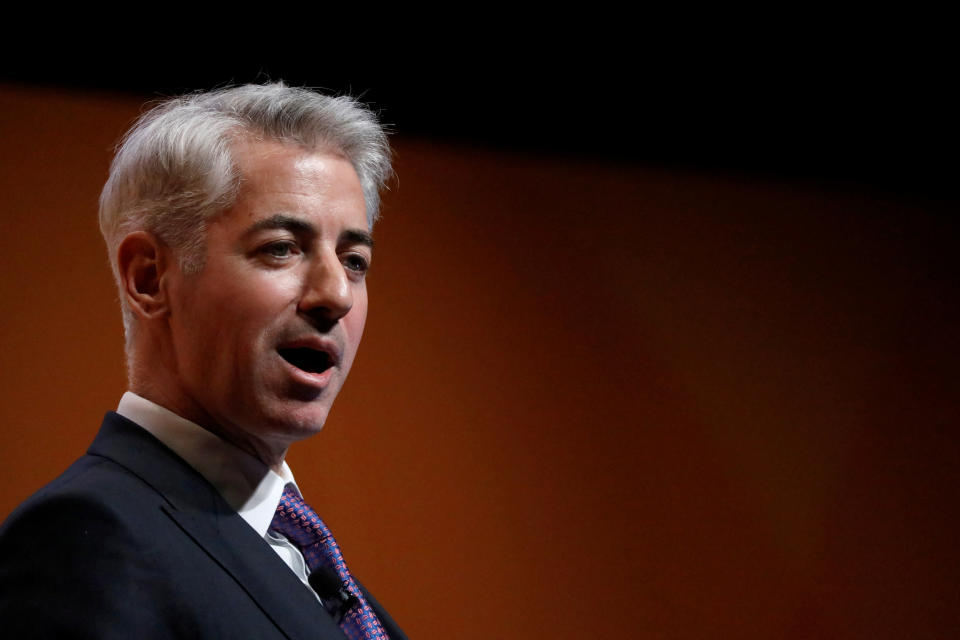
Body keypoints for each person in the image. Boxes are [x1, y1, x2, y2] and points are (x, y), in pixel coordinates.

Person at [0, 83, 407, 639]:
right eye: (281, 247)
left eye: (354, 260)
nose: (336, 294)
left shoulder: (313, 568)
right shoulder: (86, 538)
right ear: (148, 278)